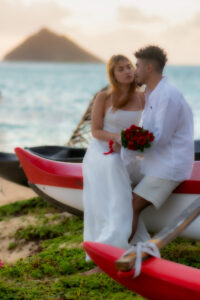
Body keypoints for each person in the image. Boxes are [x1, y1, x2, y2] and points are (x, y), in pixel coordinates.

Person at [82, 54, 151, 274]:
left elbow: (150, 127)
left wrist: (139, 142)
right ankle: (111, 244)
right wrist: (118, 138)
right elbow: (95, 132)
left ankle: (116, 238)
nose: (127, 71)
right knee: (113, 166)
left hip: (129, 152)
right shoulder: (104, 97)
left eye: (129, 66)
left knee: (138, 168)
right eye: (120, 69)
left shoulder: (143, 97)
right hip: (102, 151)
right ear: (113, 75)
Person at [128, 45, 194, 242]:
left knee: (132, 205)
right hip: (155, 161)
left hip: (168, 166)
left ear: (148, 68)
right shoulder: (151, 92)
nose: (134, 71)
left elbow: (160, 138)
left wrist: (128, 144)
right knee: (118, 179)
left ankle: (120, 254)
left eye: (137, 66)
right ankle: (135, 245)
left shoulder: (167, 95)